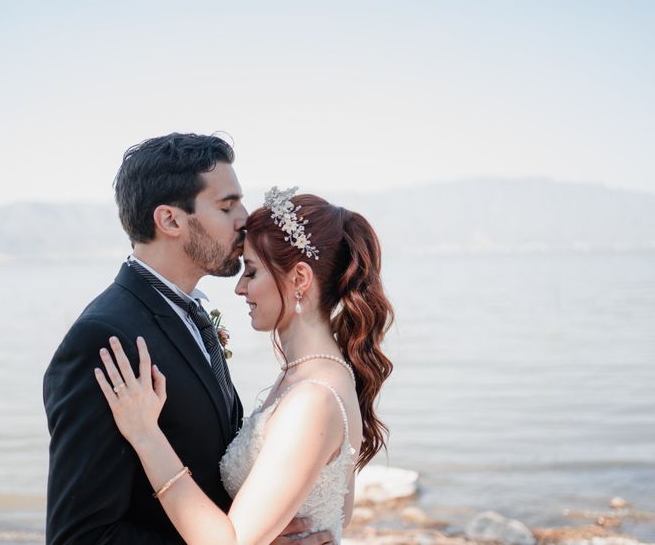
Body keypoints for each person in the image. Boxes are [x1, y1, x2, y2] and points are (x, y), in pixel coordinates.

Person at [43, 134, 334, 544]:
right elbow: (79, 536)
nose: (245, 218)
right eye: (226, 205)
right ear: (171, 221)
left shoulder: (192, 314)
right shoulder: (105, 337)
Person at [94, 187, 395, 544]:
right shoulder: (318, 374)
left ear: (299, 279)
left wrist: (146, 435)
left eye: (251, 272)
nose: (239, 288)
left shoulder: (313, 399)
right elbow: (338, 512)